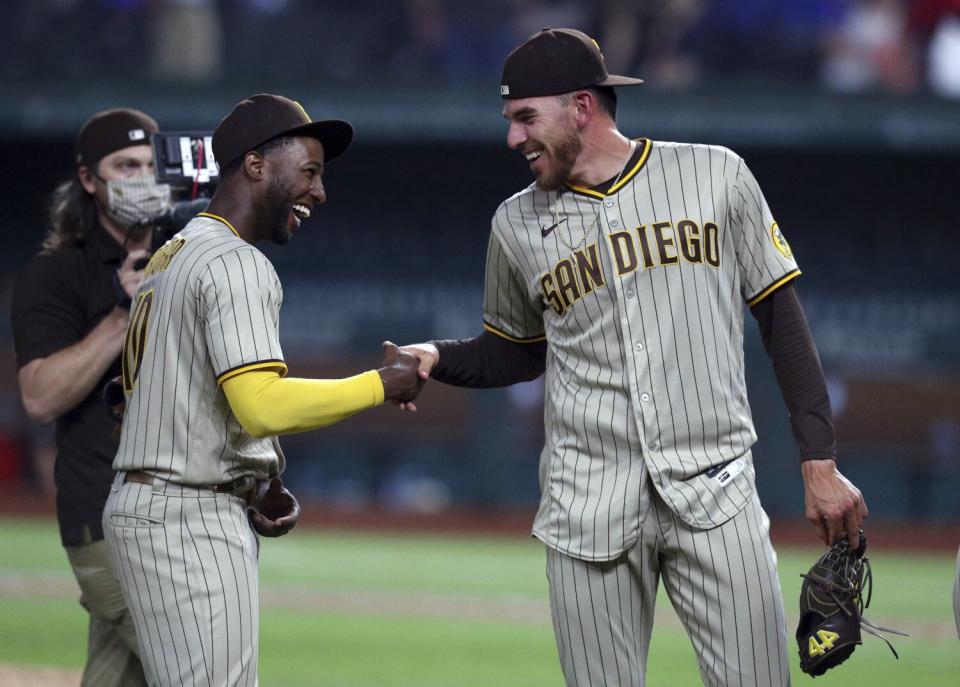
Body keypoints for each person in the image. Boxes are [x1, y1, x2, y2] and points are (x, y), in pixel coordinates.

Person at [399, 28, 868, 686]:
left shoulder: (716, 175)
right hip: (587, 501)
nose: (513, 138)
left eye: (526, 118)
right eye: (511, 121)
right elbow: (513, 352)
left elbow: (781, 320)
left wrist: (819, 461)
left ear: (582, 108)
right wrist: (434, 357)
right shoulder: (515, 224)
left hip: (715, 488)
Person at [101, 93, 424, 687]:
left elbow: (135, 401)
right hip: (185, 518)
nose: (319, 192)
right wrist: (382, 383)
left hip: (156, 504)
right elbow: (262, 405)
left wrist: (247, 474)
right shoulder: (233, 262)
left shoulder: (171, 257)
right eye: (309, 171)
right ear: (256, 165)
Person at [10, 107, 169, 687]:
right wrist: (122, 317)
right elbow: (39, 399)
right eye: (125, 165)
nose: (141, 178)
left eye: (152, 165)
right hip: (103, 515)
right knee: (197, 660)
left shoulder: (188, 258)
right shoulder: (55, 274)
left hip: (183, 514)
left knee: (118, 675)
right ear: (88, 180)